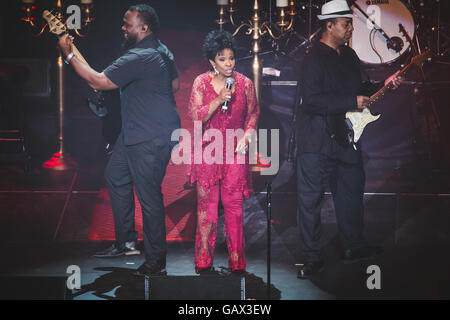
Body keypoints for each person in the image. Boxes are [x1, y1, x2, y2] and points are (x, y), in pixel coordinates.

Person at [58, 4, 181, 277]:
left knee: (149, 198)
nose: (123, 28)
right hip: (137, 131)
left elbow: (97, 82)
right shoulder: (161, 49)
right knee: (116, 175)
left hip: (150, 136)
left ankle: (156, 262)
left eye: (128, 24)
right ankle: (126, 241)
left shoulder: (140, 56)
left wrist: (68, 55)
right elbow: (174, 85)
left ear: (144, 27)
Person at [296, 0, 403, 279]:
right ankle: (311, 258)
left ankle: (353, 246)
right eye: (346, 24)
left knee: (351, 194)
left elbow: (363, 88)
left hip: (345, 137)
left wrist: (384, 84)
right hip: (317, 141)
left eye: (351, 23)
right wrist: (350, 101)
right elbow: (311, 101)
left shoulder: (351, 57)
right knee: (311, 201)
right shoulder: (313, 59)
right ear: (329, 25)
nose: (351, 29)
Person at [187, 30, 259, 274]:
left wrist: (248, 135)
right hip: (208, 149)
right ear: (211, 61)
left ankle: (237, 262)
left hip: (235, 151)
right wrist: (218, 100)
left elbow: (253, 114)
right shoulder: (201, 83)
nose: (228, 63)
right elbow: (196, 116)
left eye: (231, 58)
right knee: (207, 209)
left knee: (234, 207)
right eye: (222, 58)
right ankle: (203, 262)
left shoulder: (246, 83)